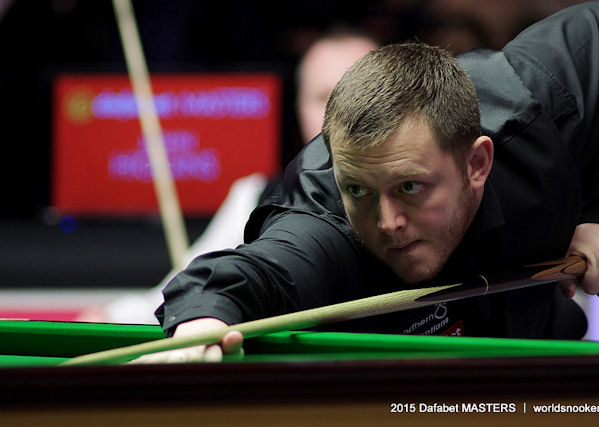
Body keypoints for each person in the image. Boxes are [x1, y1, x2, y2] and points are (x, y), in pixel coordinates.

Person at [141, 1, 599, 363]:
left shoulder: (533, 106)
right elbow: (249, 274)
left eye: (410, 188)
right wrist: (203, 322)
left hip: (543, 365)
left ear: (477, 163)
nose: (387, 222)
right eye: (359, 190)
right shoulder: (327, 221)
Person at [80, 30, 379, 324]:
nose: (340, 113)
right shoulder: (255, 195)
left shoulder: (405, 199)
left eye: (357, 95)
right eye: (323, 97)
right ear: (298, 108)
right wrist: (111, 317)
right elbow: (190, 286)